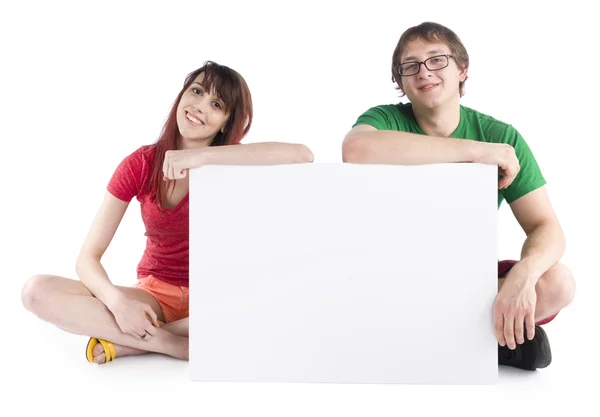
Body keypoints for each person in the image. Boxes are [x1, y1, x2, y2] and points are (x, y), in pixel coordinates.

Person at [21, 61, 314, 364]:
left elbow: (302, 155)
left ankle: (137, 341)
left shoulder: (233, 162)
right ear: (181, 95)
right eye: (197, 91)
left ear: (226, 121)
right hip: (156, 294)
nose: (200, 106)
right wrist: (120, 305)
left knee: (279, 304)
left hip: (217, 297)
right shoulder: (141, 163)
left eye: (216, 104)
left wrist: (199, 157)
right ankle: (170, 342)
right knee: (36, 291)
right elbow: (87, 258)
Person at [342, 22, 575, 370]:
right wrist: (476, 152)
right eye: (411, 66)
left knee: (559, 283)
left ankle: (462, 337)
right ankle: (485, 341)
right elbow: (355, 148)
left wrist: (524, 275)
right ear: (401, 82)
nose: (424, 72)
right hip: (392, 277)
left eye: (437, 60)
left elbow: (546, 227)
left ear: (462, 69)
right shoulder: (386, 119)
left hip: (466, 281)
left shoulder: (501, 135)